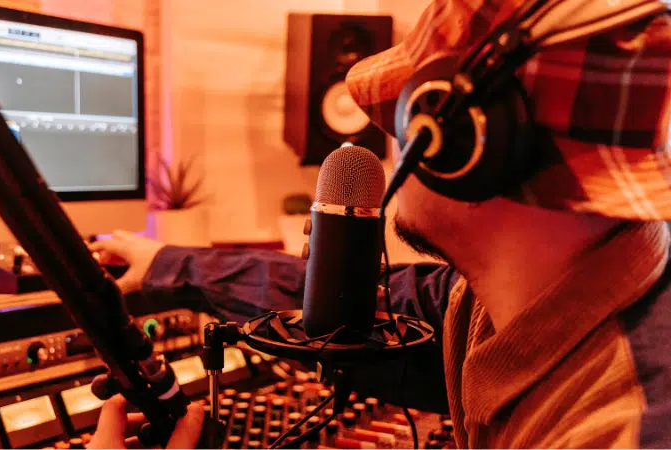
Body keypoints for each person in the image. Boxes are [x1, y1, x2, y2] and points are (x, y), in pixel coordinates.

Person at [90, 0, 671, 448]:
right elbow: (356, 310)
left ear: (459, 141)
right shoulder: (511, 293)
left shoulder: (624, 426)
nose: (393, 142)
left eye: (402, 112)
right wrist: (170, 264)